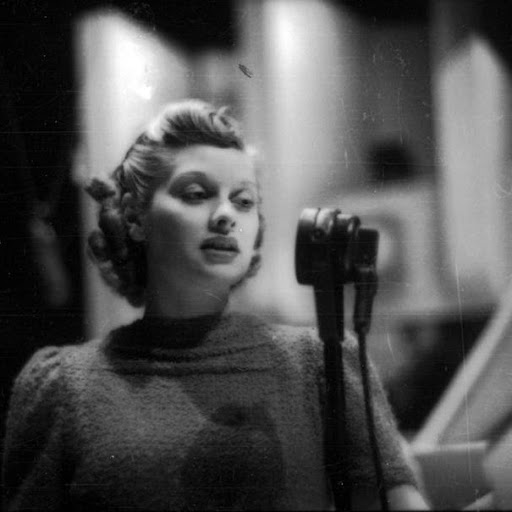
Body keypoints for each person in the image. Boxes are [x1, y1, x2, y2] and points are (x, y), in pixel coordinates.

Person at [2, 100, 428, 510]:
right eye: (196, 193)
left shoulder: (321, 362)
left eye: (244, 201)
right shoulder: (62, 387)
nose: (226, 215)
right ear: (134, 217)